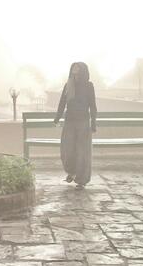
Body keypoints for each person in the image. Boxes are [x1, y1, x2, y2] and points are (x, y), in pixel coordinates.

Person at [53, 62, 97, 190]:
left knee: (82, 152)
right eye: (73, 67)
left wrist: (93, 123)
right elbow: (62, 103)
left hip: (83, 122)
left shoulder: (89, 86)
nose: (75, 69)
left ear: (83, 70)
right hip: (69, 122)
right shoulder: (68, 85)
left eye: (77, 67)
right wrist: (56, 118)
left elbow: (93, 106)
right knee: (67, 149)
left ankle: (81, 180)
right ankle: (71, 172)